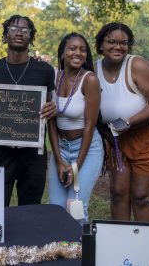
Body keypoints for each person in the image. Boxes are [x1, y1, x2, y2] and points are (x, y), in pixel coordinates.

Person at [94, 22, 149, 222]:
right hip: (116, 139)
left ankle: (143, 248)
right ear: (100, 45)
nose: (118, 47)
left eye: (124, 43)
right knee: (118, 192)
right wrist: (107, 138)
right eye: (112, 42)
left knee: (141, 196)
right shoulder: (93, 70)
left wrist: (128, 121)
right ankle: (120, 244)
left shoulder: (136, 65)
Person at [0, 15, 57, 206]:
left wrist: (53, 108)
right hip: (1, 152)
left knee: (30, 207)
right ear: (5, 36)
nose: (19, 32)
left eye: (25, 29)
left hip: (33, 154)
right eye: (13, 29)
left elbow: (50, 105)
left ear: (31, 37)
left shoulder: (45, 71)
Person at [48, 33, 104, 222]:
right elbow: (51, 123)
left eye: (83, 50)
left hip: (86, 148)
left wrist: (76, 167)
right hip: (61, 148)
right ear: (62, 52)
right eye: (72, 48)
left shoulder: (90, 80)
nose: (78, 53)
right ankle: (60, 251)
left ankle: (80, 251)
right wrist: (59, 160)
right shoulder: (54, 78)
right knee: (55, 208)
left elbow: (89, 126)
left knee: (75, 207)